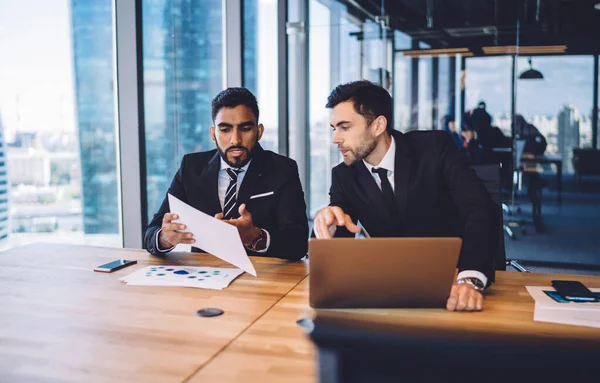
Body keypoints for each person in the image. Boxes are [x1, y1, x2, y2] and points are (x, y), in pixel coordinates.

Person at [313, 80, 499, 312]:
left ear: (378, 125)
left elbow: (479, 210)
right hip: (393, 291)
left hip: (454, 281)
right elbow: (338, 239)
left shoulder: (434, 149)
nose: (335, 139)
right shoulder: (344, 175)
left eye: (345, 127)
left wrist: (469, 279)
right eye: (334, 129)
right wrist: (327, 221)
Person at [144, 87, 309, 260]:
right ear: (213, 133)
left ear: (259, 131)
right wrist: (164, 238)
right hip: (205, 277)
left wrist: (255, 237)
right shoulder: (191, 167)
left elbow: (297, 244)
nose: (235, 139)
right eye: (225, 129)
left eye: (245, 129)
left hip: (262, 279)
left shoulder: (283, 169)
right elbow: (151, 233)